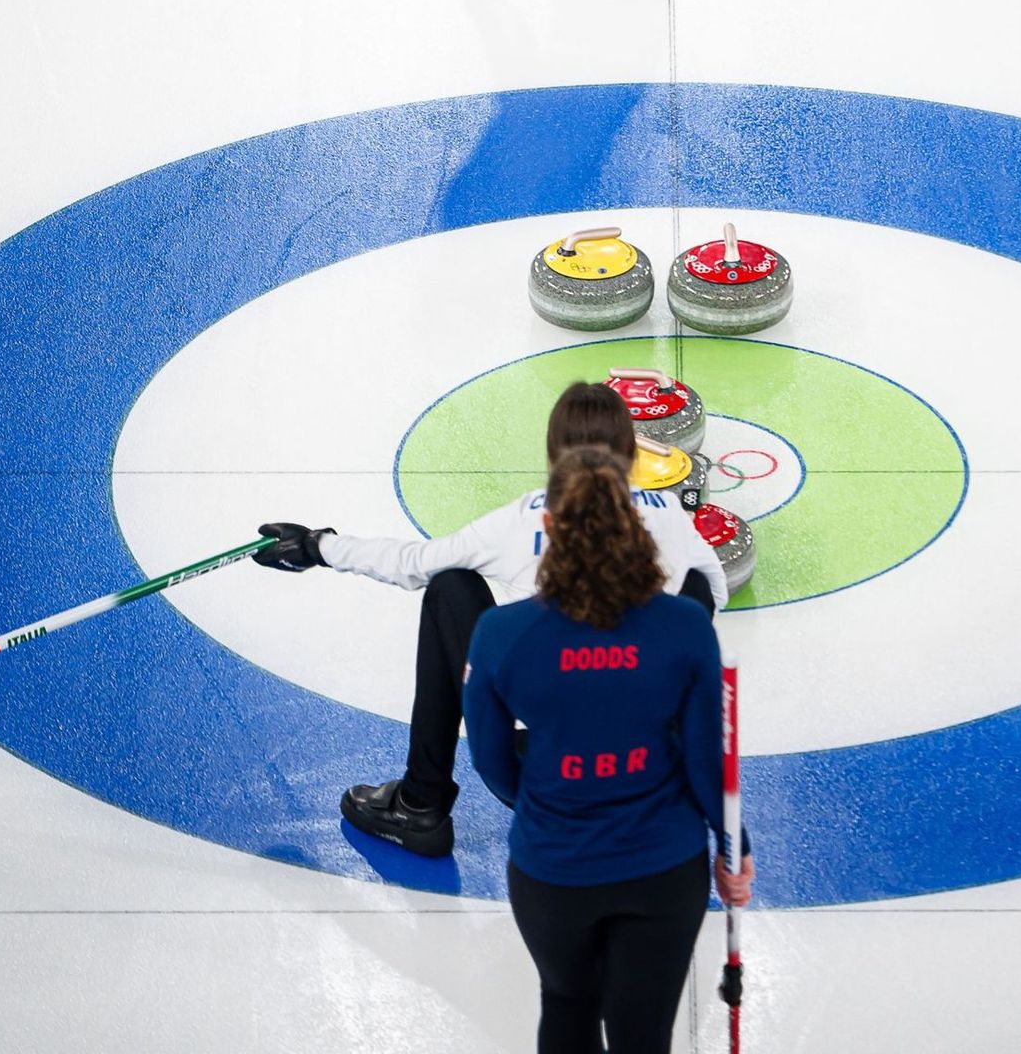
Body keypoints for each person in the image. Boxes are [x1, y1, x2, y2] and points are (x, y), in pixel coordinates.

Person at [252, 381, 725, 857]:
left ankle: (420, 805)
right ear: (632, 449)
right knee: (695, 592)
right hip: (649, 771)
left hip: (544, 772)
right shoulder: (667, 515)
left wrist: (319, 546)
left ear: (552, 453)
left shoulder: (524, 519)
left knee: (449, 587)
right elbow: (713, 593)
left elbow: (415, 563)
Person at [465, 446, 754, 1054]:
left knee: (567, 1004)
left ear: (548, 528)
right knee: (643, 1032)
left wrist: (549, 801)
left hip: (552, 869)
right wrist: (734, 850)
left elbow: (491, 761)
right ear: (636, 526)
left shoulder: (499, 634)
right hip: (662, 867)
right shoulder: (683, 626)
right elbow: (708, 761)